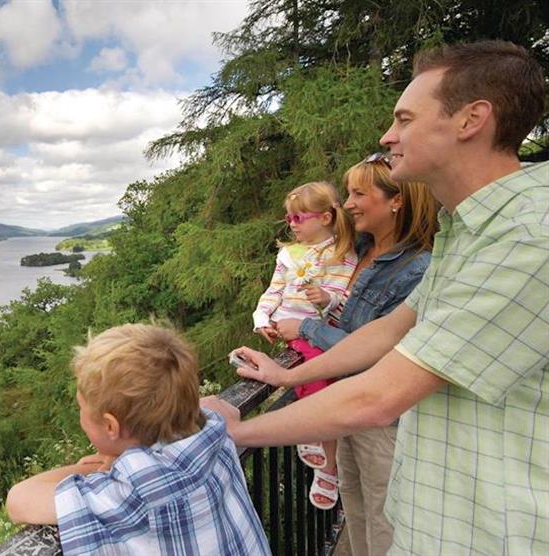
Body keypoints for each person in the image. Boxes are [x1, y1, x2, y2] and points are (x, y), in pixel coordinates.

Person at [202, 40, 547, 555]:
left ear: (471, 119)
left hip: (494, 533)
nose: (389, 136)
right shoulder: (470, 233)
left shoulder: (529, 236)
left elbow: (380, 393)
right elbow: (392, 329)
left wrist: (236, 432)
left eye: (405, 119)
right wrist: (288, 375)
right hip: (443, 519)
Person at [242, 156, 438, 555]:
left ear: (396, 200)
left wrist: (306, 330)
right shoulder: (357, 248)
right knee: (357, 505)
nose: (347, 204)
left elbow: (374, 348)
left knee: (386, 520)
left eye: (359, 194)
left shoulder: (415, 267)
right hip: (345, 400)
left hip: (382, 415)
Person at [6, 323, 271, 556]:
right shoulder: (213, 432)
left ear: (111, 426)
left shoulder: (132, 491)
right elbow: (209, 407)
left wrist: (95, 469)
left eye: (81, 407)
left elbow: (18, 500)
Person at [251, 180, 357, 510]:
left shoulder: (343, 255)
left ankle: (321, 451)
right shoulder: (287, 256)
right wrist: (262, 318)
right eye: (289, 219)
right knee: (316, 377)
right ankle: (327, 463)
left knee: (322, 382)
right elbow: (274, 290)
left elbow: (344, 303)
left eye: (298, 218)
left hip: (319, 331)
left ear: (325, 217)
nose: (292, 224)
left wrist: (326, 300)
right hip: (292, 333)